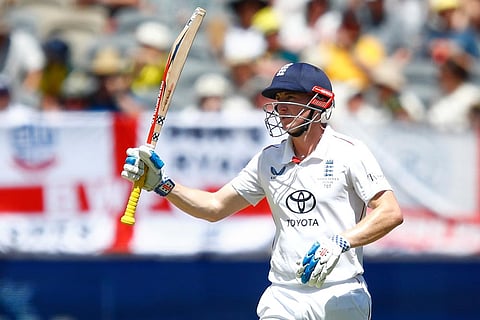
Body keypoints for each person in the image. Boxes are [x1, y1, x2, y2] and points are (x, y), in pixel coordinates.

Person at [121, 62, 403, 319]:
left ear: (320, 103)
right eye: (279, 101)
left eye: (291, 100)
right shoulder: (268, 159)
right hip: (284, 294)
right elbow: (214, 207)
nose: (282, 109)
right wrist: (162, 185)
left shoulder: (348, 152)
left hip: (341, 293)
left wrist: (340, 242)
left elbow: (390, 212)